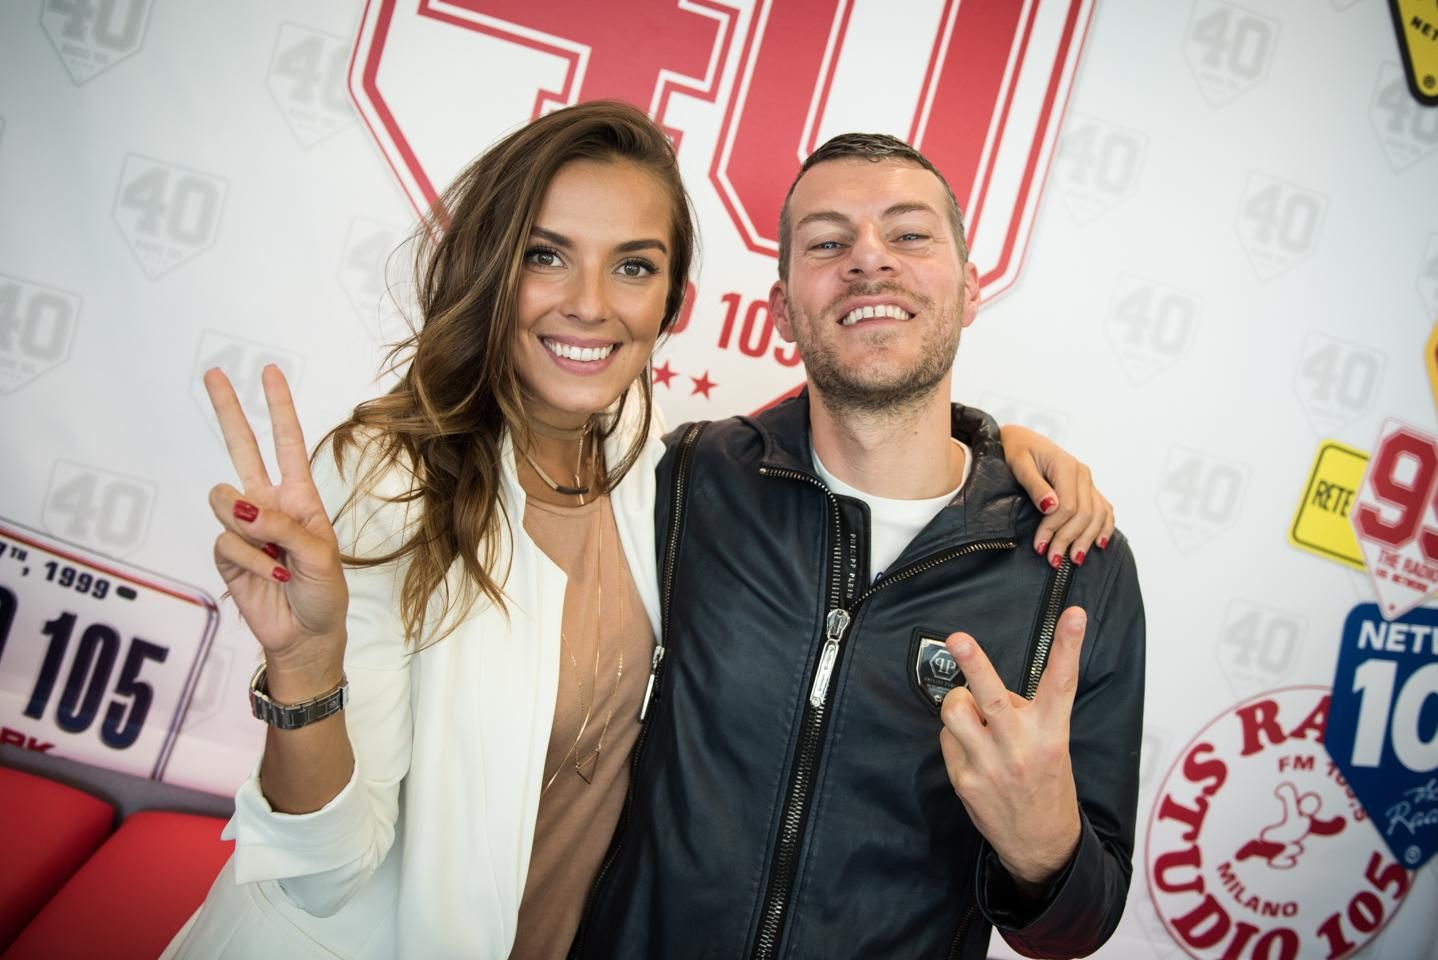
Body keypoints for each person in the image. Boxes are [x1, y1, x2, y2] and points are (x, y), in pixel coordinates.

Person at [163, 104, 1111, 959]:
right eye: (545, 255)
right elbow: (322, 871)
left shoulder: (660, 468)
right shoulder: (403, 479)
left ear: (670, 305)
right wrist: (304, 666)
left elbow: (869, 399)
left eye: (632, 265)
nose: (589, 301)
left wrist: (995, 453)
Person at [573, 135, 1145, 959]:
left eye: (908, 234)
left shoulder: (1075, 564)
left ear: (970, 287)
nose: (869, 259)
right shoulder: (686, 480)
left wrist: (1046, 847)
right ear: (781, 308)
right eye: (827, 242)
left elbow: (1082, 926)